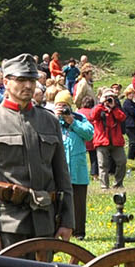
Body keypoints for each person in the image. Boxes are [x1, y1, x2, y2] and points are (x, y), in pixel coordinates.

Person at [0, 54, 76, 251]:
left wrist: (67, 220)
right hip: (8, 224)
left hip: (45, 222)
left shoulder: (49, 121)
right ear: (6, 82)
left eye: (32, 80)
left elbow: (63, 175)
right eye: (21, 80)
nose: (28, 85)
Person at [52, 91, 96, 238]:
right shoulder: (50, 119)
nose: (62, 108)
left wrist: (73, 122)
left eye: (65, 105)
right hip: (59, 168)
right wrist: (55, 117)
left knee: (78, 201)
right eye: (59, 105)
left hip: (78, 169)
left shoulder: (79, 118)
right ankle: (56, 229)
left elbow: (89, 134)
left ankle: (79, 231)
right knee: (57, 201)